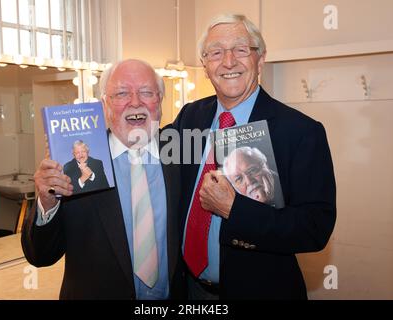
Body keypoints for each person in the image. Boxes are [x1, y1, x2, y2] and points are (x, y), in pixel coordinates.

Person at [173, 14, 336, 299]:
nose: (228, 61)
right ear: (205, 65)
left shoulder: (301, 131)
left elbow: (315, 228)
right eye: (216, 52)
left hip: (261, 290)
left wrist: (234, 210)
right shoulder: (190, 116)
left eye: (240, 49)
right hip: (190, 290)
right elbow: (142, 149)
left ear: (260, 60)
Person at [21, 59, 185, 300]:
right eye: (121, 93)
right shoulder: (71, 165)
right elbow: (41, 255)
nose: (135, 102)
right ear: (104, 104)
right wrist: (47, 202)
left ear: (159, 101)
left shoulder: (181, 153)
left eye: (146, 92)